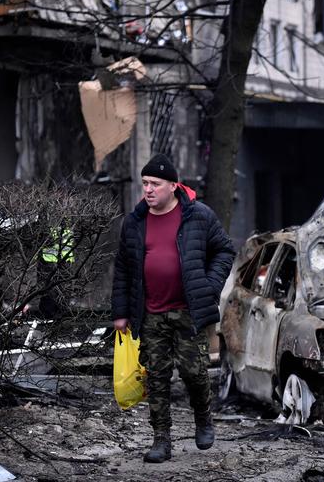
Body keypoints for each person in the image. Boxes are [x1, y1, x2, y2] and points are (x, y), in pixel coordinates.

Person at [112, 153, 235, 463]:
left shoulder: (199, 216)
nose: (148, 190)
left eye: (155, 184)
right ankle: (161, 440)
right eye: (145, 184)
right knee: (156, 377)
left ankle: (204, 417)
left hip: (188, 310)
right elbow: (124, 269)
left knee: (194, 373)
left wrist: (210, 286)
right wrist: (120, 312)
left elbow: (225, 250)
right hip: (151, 312)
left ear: (172, 186)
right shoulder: (134, 223)